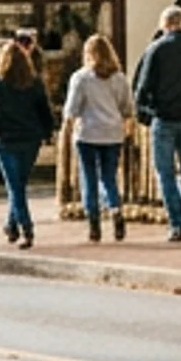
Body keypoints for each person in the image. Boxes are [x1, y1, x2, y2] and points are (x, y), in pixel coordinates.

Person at [133, 6, 181, 241]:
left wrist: (145, 113)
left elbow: (142, 87)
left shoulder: (155, 50)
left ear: (163, 24)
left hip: (164, 117)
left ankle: (177, 221)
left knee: (165, 172)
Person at [0, 38, 59, 246]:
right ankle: (11, 225)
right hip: (31, 140)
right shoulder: (34, 82)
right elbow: (45, 111)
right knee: (18, 184)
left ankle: (27, 228)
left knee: (15, 187)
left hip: (6, 140)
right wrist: (48, 132)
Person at [62, 34, 136, 243]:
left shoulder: (81, 78)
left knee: (89, 178)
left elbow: (72, 109)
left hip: (88, 132)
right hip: (112, 133)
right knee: (109, 177)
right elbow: (127, 107)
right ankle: (115, 209)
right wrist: (126, 128)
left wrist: (68, 129)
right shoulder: (119, 78)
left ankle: (94, 223)